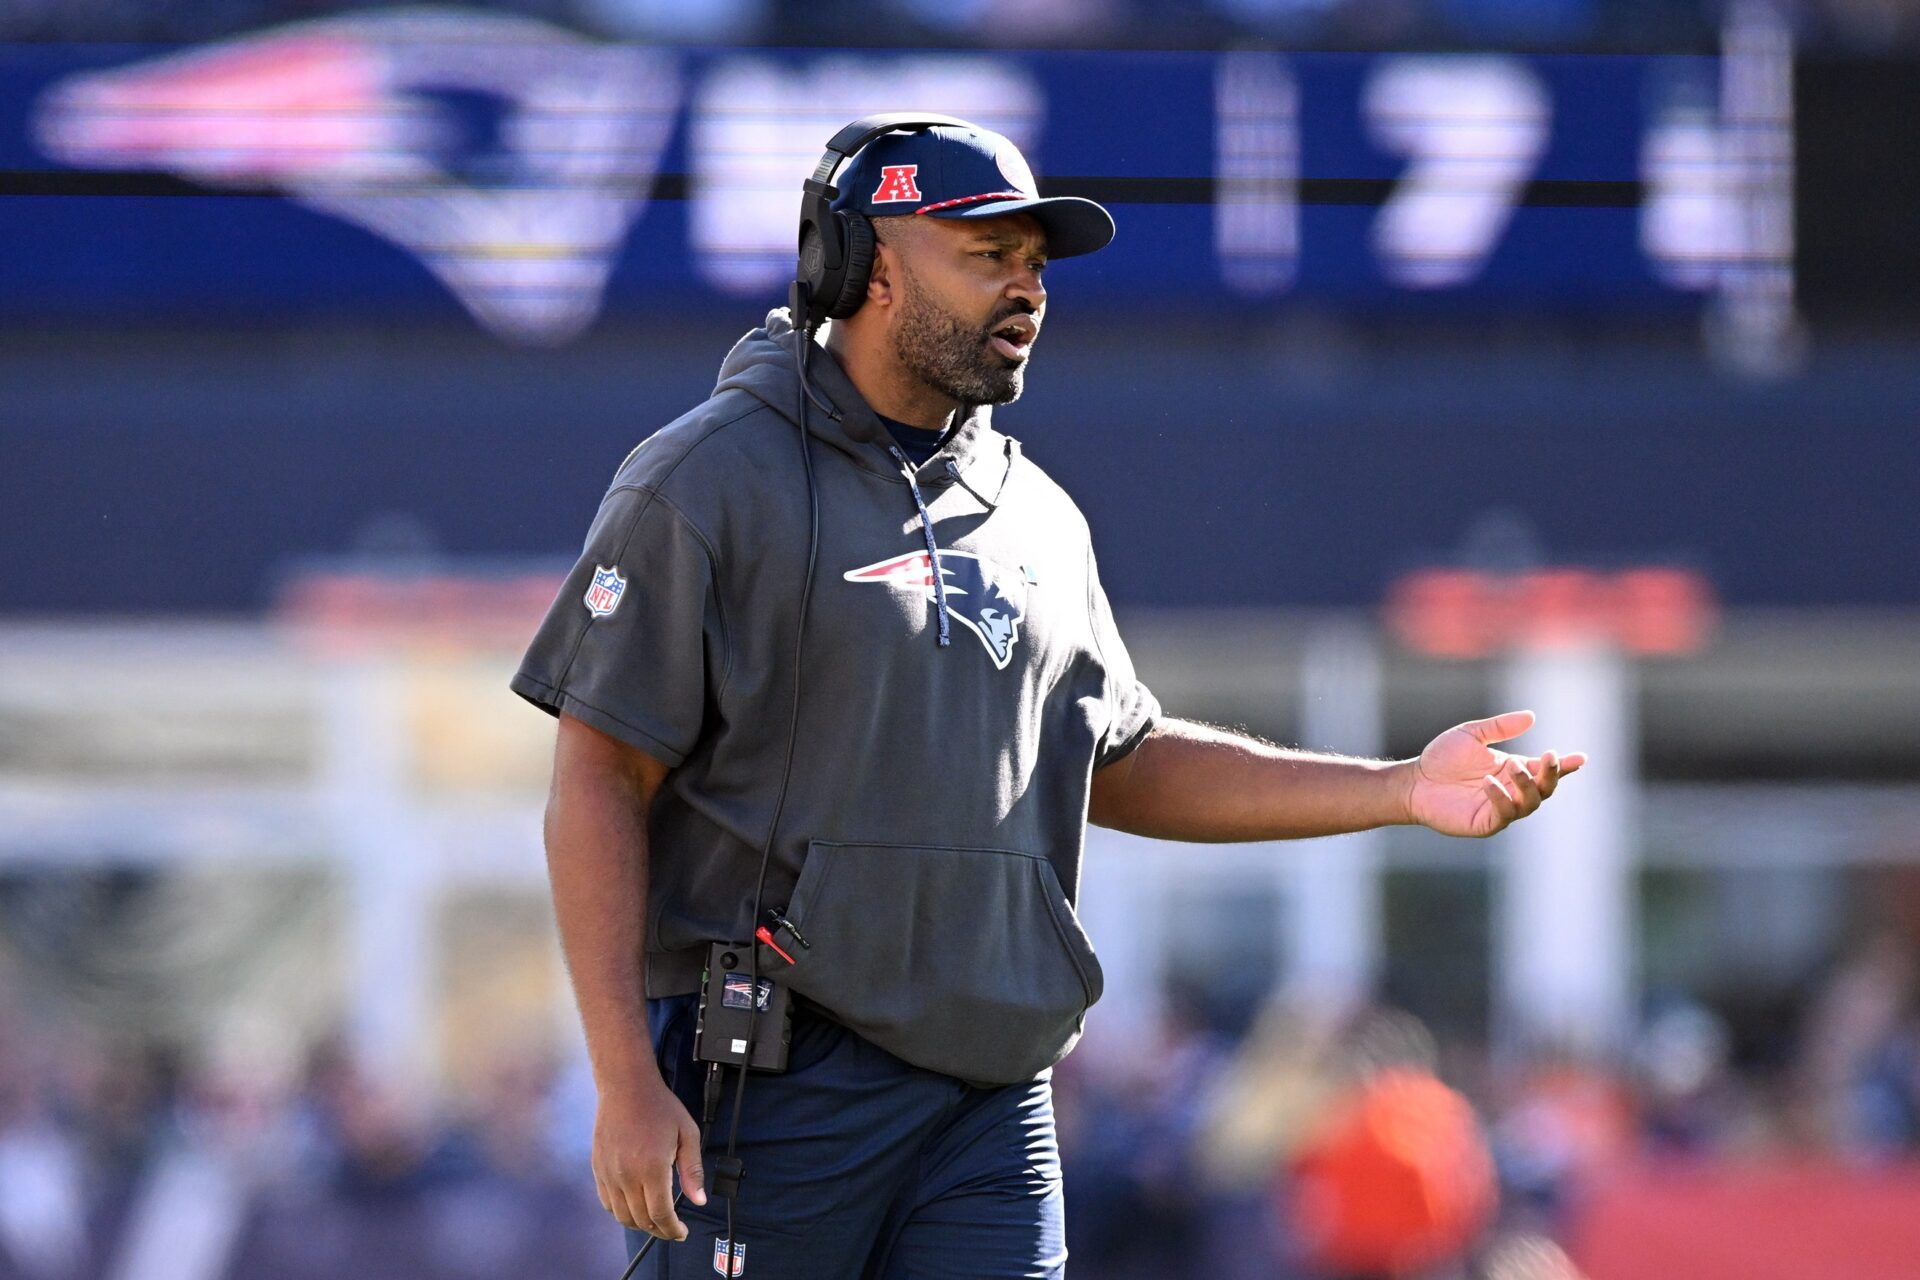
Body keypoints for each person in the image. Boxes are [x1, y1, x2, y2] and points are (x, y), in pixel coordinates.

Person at [511, 118, 1586, 1279]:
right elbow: (598, 781)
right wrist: (622, 1080)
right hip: (772, 1092)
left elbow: (1117, 755)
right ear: (863, 263)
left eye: (1036, 261)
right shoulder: (707, 479)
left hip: (992, 1096)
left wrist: (1396, 789)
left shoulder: (1040, 517)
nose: (1026, 286)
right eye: (987, 256)